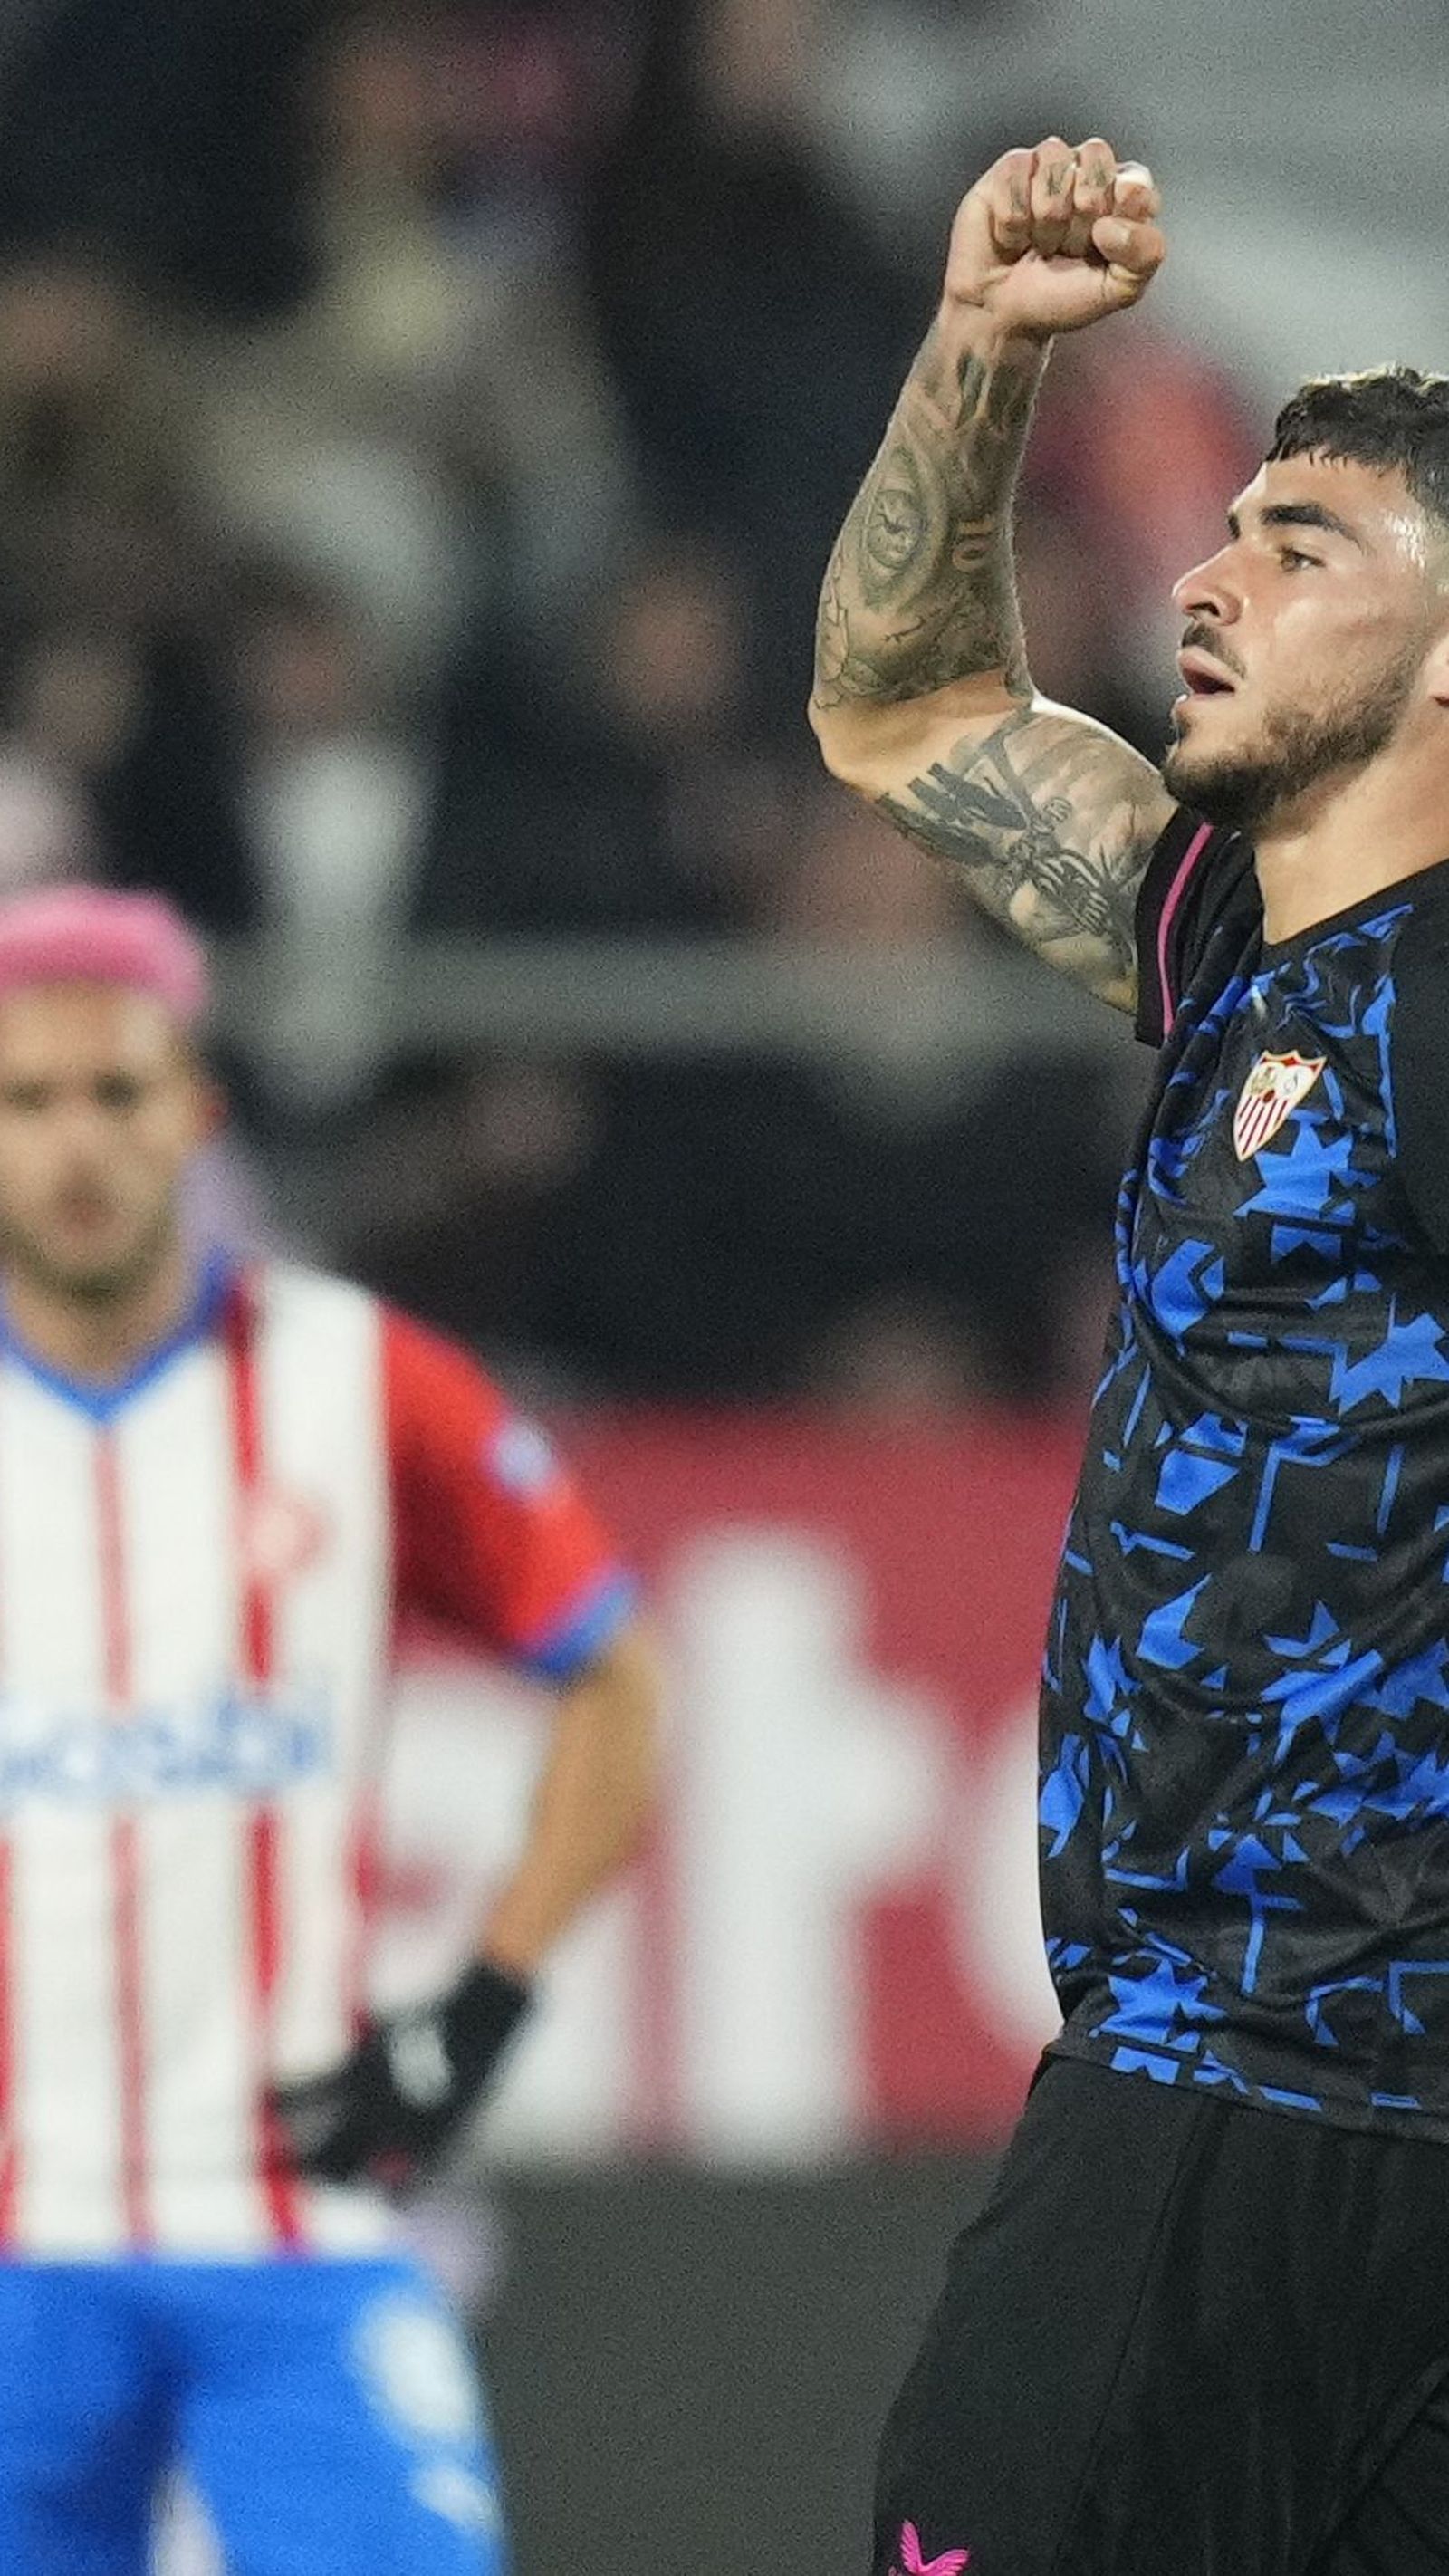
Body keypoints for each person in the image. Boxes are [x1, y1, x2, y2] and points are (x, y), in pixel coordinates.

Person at [812, 135, 1449, 2576]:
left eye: (1309, 545)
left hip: (1267, 2083)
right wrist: (985, 344)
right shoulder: (1237, 943)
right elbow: (904, 706)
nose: (1209, 573)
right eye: (1226, 529)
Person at [0, 884, 659, 2574]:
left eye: (118, 1094)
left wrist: (487, 2005)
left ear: (197, 1115)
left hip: (292, 2226)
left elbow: (618, 1678)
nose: (77, 1143)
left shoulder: (353, 1383)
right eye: (27, 1099)